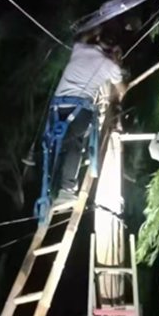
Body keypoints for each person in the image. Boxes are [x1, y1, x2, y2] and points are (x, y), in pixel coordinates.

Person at [51, 32, 126, 199]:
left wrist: (95, 31)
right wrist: (117, 64)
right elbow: (121, 90)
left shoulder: (80, 49)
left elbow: (79, 38)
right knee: (75, 145)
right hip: (79, 109)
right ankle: (67, 188)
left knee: (58, 143)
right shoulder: (110, 66)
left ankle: (51, 185)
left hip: (57, 106)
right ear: (114, 50)